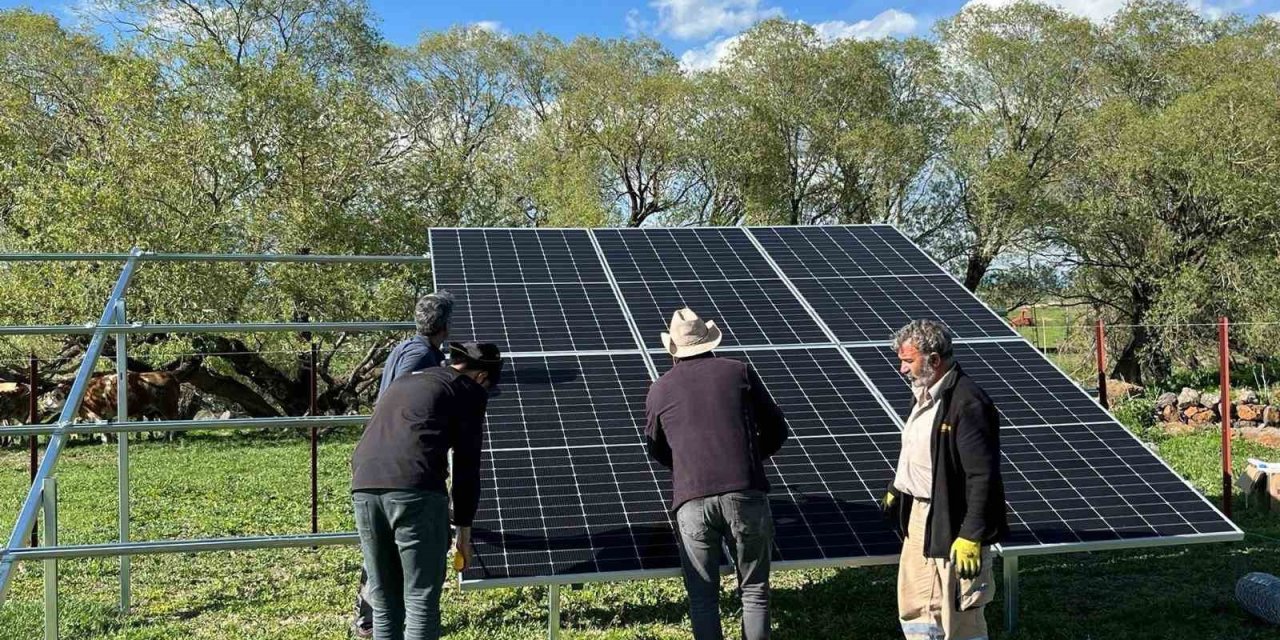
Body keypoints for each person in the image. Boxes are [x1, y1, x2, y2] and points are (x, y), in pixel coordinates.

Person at [644, 308, 789, 640]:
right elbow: (777, 429)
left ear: (674, 351)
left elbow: (656, 449)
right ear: (710, 343)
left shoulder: (659, 389)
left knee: (703, 599)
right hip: (745, 490)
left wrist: (687, 465)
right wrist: (748, 457)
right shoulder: (738, 372)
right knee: (754, 591)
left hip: (691, 498)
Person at [350, 341, 502, 640]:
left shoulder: (406, 380)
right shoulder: (468, 390)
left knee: (384, 600)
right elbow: (466, 464)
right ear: (482, 377)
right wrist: (464, 532)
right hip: (415, 488)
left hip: (363, 485)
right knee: (421, 597)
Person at [881, 319, 1007, 640]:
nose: (902, 369)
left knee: (956, 612)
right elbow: (922, 451)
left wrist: (971, 534)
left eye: (908, 361)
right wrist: (900, 486)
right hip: (920, 519)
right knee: (918, 604)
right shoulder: (924, 394)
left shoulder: (968, 403)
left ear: (934, 360)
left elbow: (983, 475)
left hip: (953, 521)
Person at [354, 290, 456, 637]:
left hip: (371, 470)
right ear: (444, 328)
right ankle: (365, 617)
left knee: (389, 596)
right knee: (419, 597)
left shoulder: (403, 348)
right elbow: (410, 400)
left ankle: (368, 619)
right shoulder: (419, 356)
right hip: (408, 475)